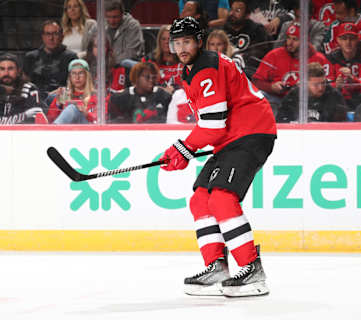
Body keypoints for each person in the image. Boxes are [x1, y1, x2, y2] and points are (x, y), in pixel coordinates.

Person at [160, 17, 276, 297]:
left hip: (251, 132)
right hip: (232, 138)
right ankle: (217, 267)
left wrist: (183, 149)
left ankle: (251, 270)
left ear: (199, 41)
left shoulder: (206, 67)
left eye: (187, 41)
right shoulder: (192, 70)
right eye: (177, 42)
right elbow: (211, 124)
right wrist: (185, 150)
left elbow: (213, 124)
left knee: (222, 197)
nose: (182, 47)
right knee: (201, 198)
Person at [253, 23, 333, 114]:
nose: (289, 43)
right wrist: (271, 87)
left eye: (295, 39)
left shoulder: (319, 59)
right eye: (288, 38)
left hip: (309, 103)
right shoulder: (274, 55)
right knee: (259, 96)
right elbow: (256, 81)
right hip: (277, 100)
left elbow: (330, 85)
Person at [23, 20, 78, 102]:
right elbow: (24, 84)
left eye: (55, 34)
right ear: (42, 36)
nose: (51, 38)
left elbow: (75, 84)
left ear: (62, 36)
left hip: (61, 99)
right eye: (47, 34)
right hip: (35, 99)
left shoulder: (71, 57)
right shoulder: (31, 57)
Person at [326, 22, 361, 110]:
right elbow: (325, 86)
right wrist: (336, 85)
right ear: (338, 40)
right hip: (337, 102)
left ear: (357, 39)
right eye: (344, 38)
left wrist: (352, 80)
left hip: (360, 102)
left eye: (352, 39)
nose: (348, 42)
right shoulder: (331, 59)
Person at [278, 62, 347, 122]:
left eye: (323, 83)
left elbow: (340, 124)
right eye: (316, 84)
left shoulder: (334, 96)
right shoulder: (293, 96)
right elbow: (282, 120)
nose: (320, 88)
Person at [223, 0, 271, 77]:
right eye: (231, 9)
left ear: (247, 15)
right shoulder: (223, 30)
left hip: (247, 72)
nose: (232, 13)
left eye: (237, 11)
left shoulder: (257, 30)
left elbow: (257, 56)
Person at [46, 59, 98, 124]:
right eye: (74, 73)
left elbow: (101, 119)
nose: (77, 77)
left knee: (72, 108)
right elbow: (50, 119)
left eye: (81, 73)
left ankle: (52, 131)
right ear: (70, 77)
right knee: (71, 108)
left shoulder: (96, 95)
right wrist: (58, 104)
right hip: (67, 131)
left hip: (88, 129)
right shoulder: (65, 94)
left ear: (87, 76)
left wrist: (87, 114)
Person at [142, 25, 184, 93]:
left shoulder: (186, 61)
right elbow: (143, 84)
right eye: (163, 39)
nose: (166, 42)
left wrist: (175, 91)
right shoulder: (149, 61)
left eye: (170, 39)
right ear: (159, 41)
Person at [105, 0, 144, 66]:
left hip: (127, 67)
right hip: (106, 67)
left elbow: (131, 53)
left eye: (115, 17)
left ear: (122, 14)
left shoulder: (133, 26)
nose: (111, 21)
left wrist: (108, 62)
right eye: (108, 17)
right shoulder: (102, 26)